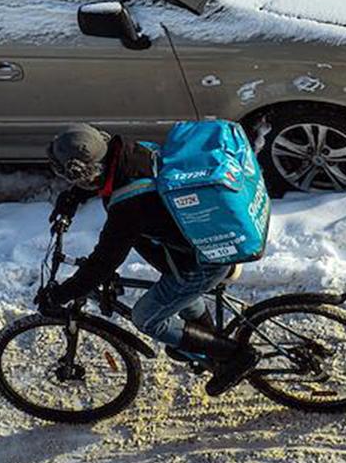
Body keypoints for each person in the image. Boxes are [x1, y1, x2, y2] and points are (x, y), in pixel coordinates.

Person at [35, 123, 260, 397]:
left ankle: (236, 356)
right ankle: (209, 345)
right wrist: (72, 199)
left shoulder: (129, 207)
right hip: (190, 254)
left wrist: (61, 294)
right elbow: (106, 178)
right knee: (181, 298)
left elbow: (104, 261)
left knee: (147, 318)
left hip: (198, 264)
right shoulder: (130, 152)